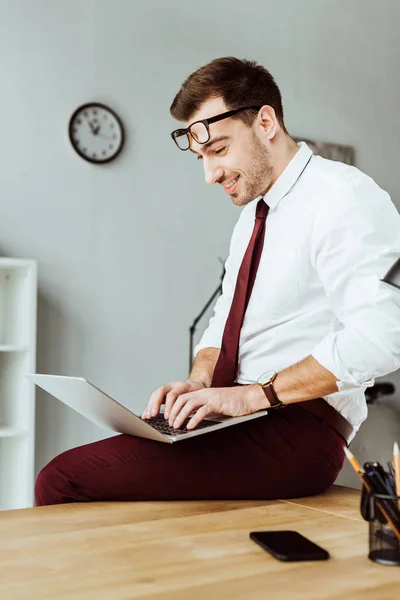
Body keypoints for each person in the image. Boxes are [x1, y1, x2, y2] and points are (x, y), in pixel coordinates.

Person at [35, 57, 400, 506]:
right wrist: (200, 382)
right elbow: (224, 319)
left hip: (297, 432)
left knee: (62, 479)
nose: (210, 175)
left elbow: (383, 337)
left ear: (265, 122)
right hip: (242, 417)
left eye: (219, 150)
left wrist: (252, 397)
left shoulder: (345, 197)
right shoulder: (253, 217)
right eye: (201, 158)